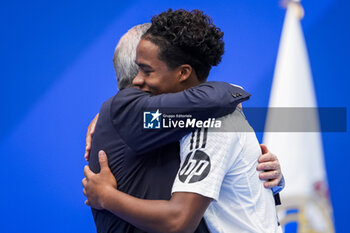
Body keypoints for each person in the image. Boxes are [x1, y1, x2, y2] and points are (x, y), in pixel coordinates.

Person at [83, 10, 283, 233]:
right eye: (139, 70)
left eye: (147, 70)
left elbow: (180, 219)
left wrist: (106, 197)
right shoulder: (192, 118)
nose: (140, 78)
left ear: (182, 72)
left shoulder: (207, 122)